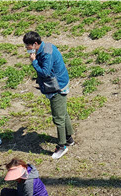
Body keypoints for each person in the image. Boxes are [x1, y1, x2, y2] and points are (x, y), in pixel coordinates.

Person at [23, 31, 75, 159]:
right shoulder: (48, 46)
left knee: (58, 118)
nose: (26, 49)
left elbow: (45, 72)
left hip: (57, 87)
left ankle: (62, 146)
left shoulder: (46, 54)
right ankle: (69, 138)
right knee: (63, 113)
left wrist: (34, 62)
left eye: (27, 46)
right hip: (61, 82)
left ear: (35, 44)